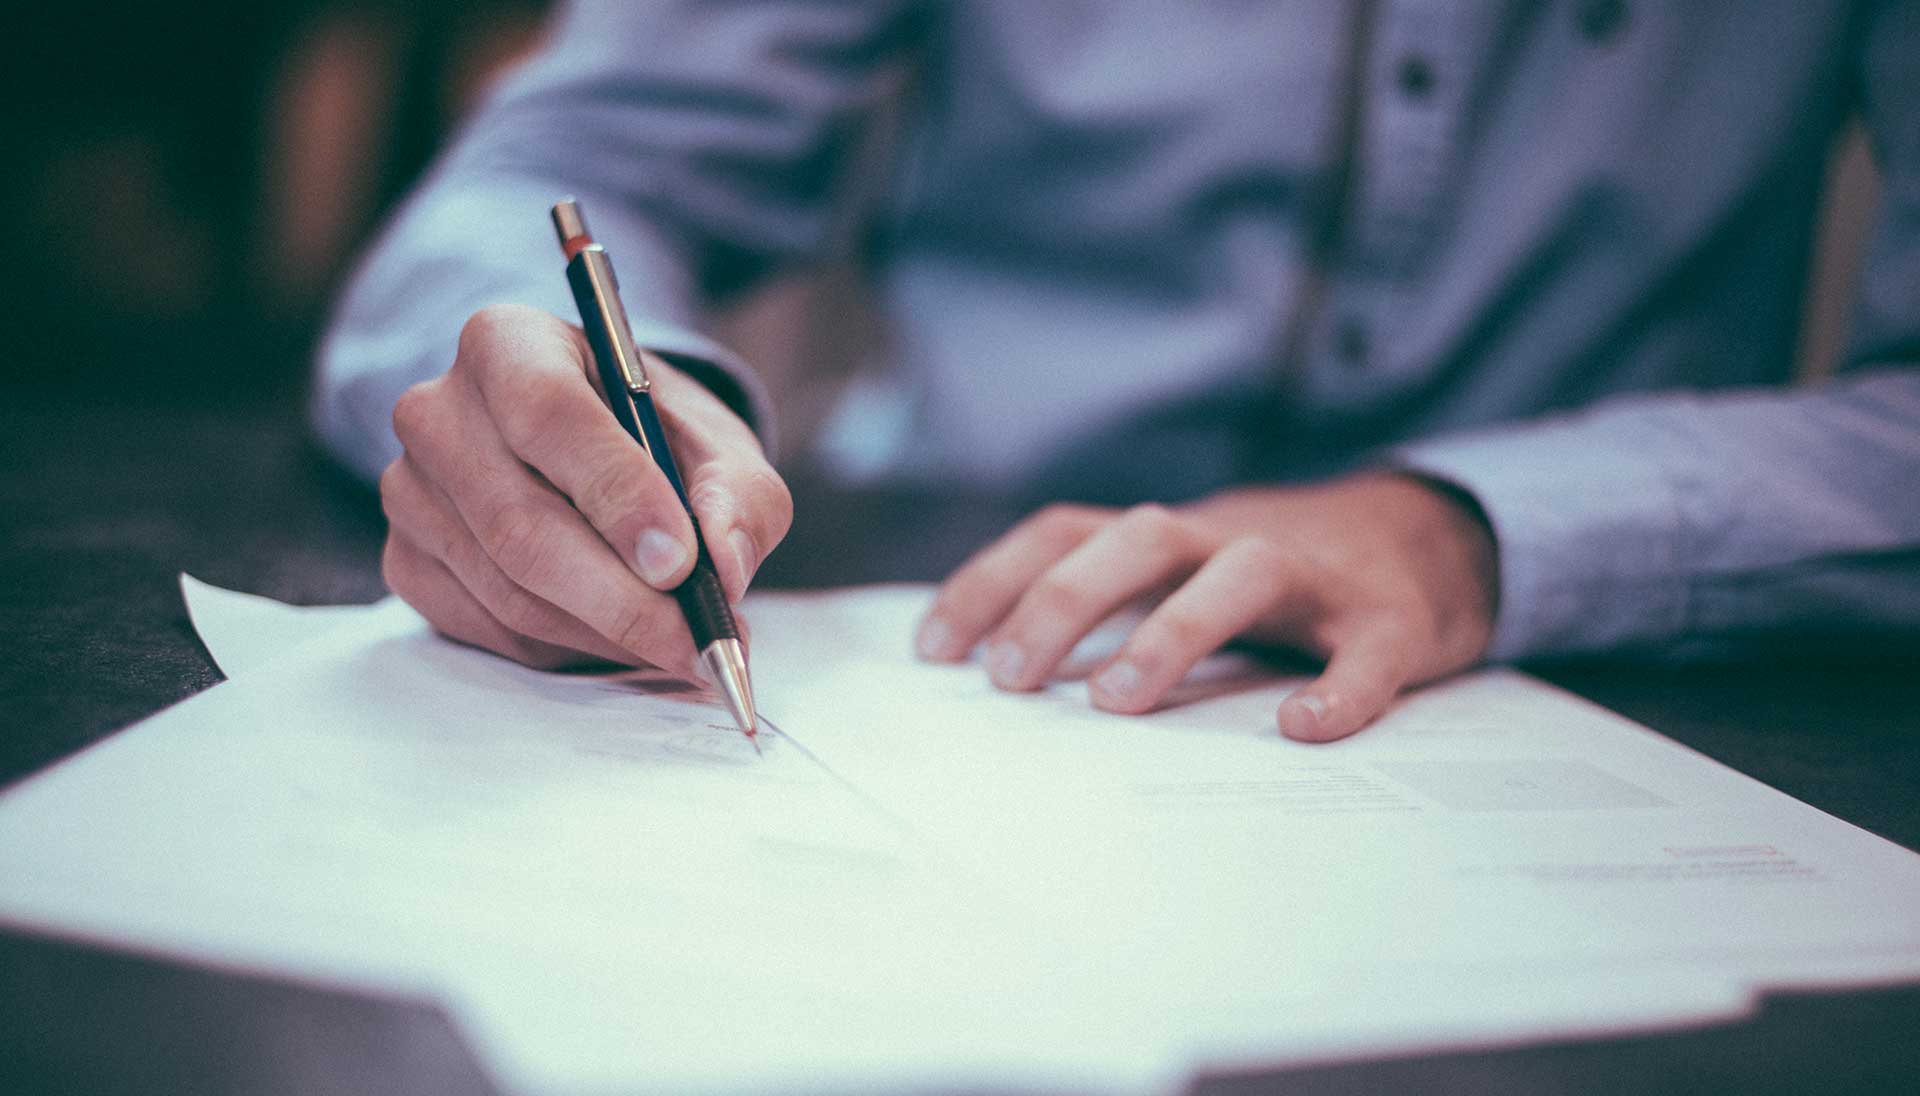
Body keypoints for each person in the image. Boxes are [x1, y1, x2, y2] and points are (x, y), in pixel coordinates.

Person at [314, 0, 1920, 742]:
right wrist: (589, 408)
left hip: (1639, 687)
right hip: (950, 624)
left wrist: (1474, 526)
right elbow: (568, 162)